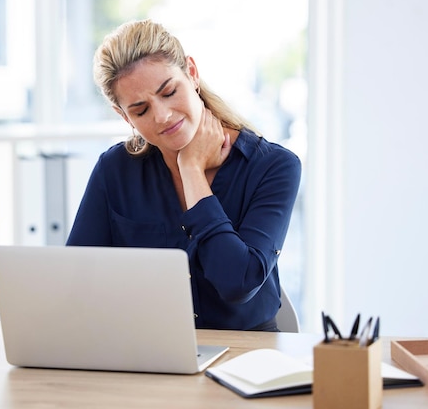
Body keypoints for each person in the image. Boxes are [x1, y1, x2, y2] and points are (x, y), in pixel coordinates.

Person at [66, 19, 301, 331]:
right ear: (124, 116)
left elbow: (238, 283)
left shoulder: (273, 167)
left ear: (191, 73)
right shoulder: (115, 170)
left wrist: (191, 170)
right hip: (145, 349)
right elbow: (76, 282)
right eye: (140, 111)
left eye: (168, 92)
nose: (162, 115)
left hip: (245, 355)